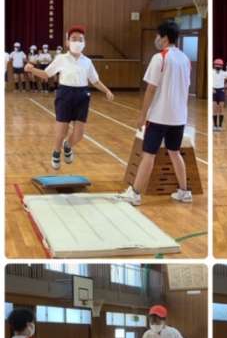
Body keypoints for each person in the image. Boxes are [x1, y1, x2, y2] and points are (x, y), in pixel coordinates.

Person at [118, 20, 192, 206]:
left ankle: (135, 193)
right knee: (175, 152)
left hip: (159, 116)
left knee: (148, 154)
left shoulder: (160, 58)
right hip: (179, 117)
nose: (156, 39)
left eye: (158, 35)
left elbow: (151, 89)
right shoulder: (185, 59)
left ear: (165, 37)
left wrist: (142, 115)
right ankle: (184, 191)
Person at [24, 25, 114, 170]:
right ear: (67, 42)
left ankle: (68, 146)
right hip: (65, 94)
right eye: (73, 39)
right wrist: (32, 70)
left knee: (79, 135)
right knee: (61, 131)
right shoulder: (61, 59)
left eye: (80, 39)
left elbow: (95, 80)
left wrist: (107, 91)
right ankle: (56, 152)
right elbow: (47, 74)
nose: (77, 42)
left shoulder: (87, 61)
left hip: (82, 96)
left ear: (84, 42)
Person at [213, 58, 227, 131]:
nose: (218, 66)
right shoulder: (211, 72)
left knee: (221, 108)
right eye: (216, 64)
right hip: (214, 91)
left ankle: (220, 126)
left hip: (221, 91)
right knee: (214, 109)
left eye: (219, 65)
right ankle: (215, 125)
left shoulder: (224, 73)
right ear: (214, 65)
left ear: (221, 66)